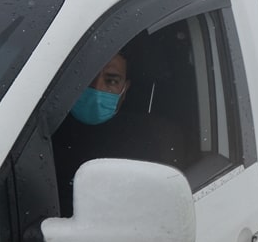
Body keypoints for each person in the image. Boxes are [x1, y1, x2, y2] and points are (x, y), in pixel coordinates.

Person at [52, 50, 186, 214]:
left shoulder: (145, 138)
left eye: (111, 81)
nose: (97, 88)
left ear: (125, 89)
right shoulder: (45, 129)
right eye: (88, 78)